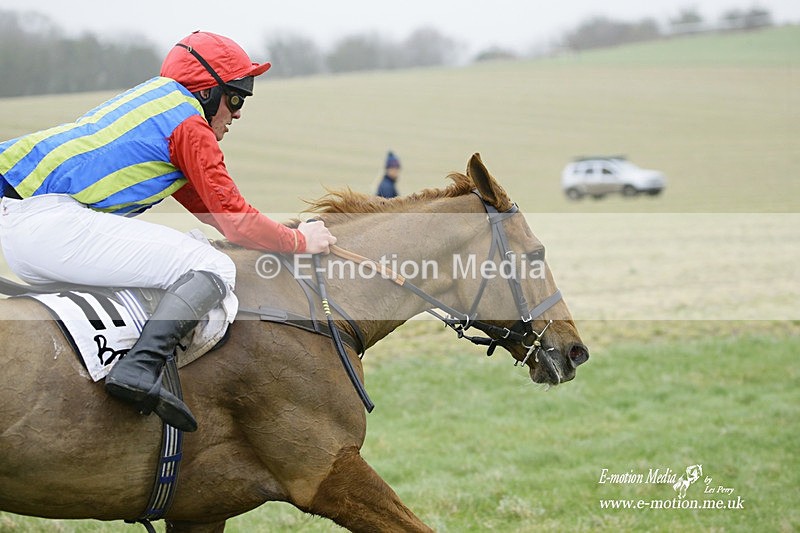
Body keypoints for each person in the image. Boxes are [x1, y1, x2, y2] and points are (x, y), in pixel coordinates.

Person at [0, 31, 336, 432]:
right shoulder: (189, 126)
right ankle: (139, 368)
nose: (238, 113)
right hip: (54, 228)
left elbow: (214, 213)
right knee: (214, 266)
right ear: (208, 92)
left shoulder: (155, 102)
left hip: (27, 230)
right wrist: (301, 241)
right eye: (236, 99)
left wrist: (283, 233)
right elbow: (234, 219)